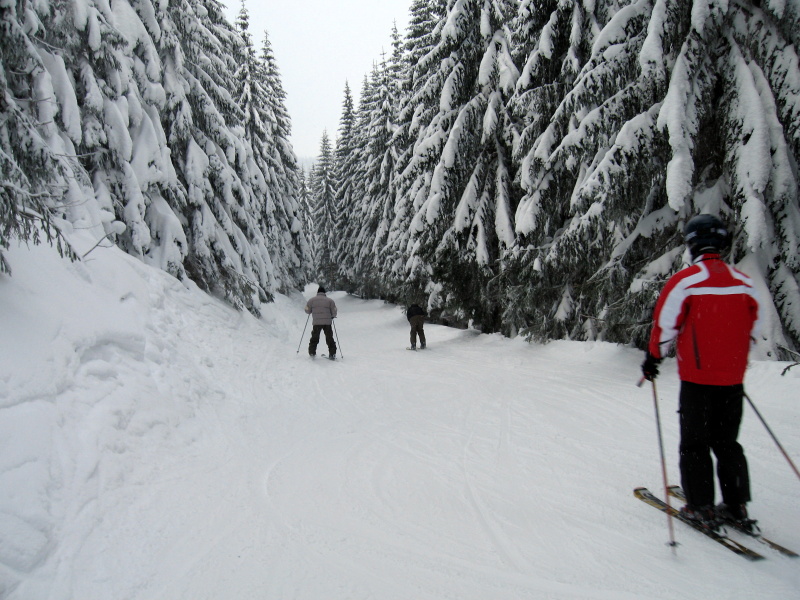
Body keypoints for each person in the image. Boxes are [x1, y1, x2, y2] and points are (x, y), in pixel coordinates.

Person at [642, 213, 761, 529]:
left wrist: (653, 358)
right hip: (732, 379)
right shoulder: (744, 283)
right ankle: (737, 507)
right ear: (721, 243)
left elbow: (666, 326)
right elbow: (754, 326)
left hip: (697, 379)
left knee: (694, 444)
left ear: (693, 244)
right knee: (727, 443)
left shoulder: (685, 282)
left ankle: (701, 507)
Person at [306, 286, 337, 358]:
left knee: (315, 337)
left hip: (316, 322)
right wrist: (333, 316)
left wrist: (310, 310)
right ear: (324, 293)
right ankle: (332, 353)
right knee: (329, 337)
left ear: (317, 292)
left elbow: (307, 310)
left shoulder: (311, 300)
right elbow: (334, 310)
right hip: (327, 322)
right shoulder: (330, 301)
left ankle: (312, 352)